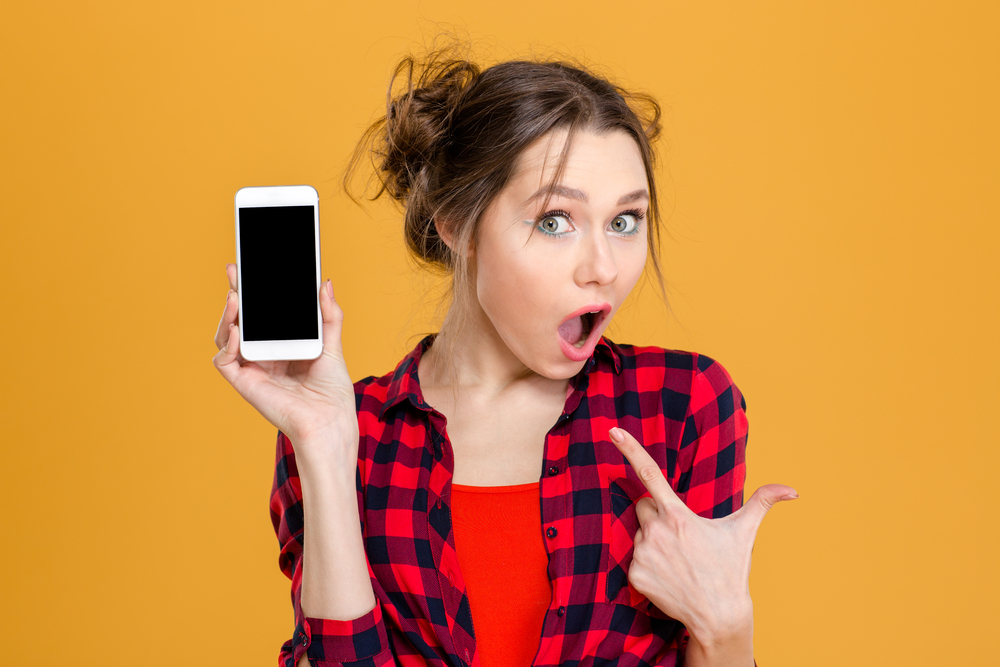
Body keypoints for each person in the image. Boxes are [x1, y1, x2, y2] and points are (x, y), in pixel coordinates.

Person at [213, 47, 796, 667]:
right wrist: (325, 447)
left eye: (625, 221)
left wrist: (725, 624)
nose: (603, 268)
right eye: (555, 221)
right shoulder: (357, 435)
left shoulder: (681, 405)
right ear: (455, 222)